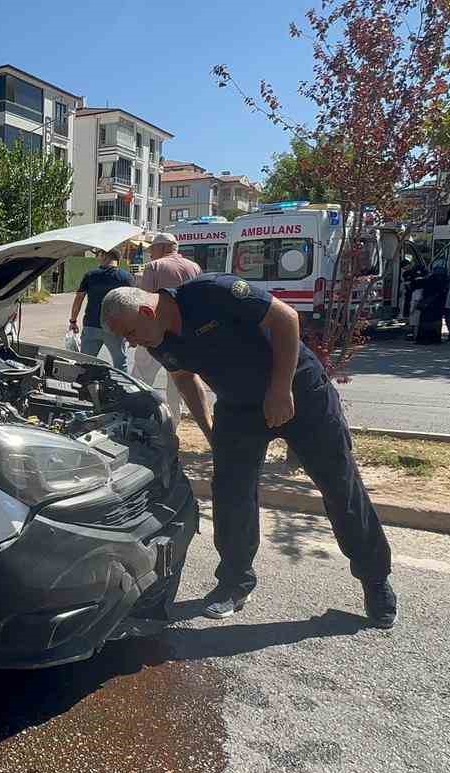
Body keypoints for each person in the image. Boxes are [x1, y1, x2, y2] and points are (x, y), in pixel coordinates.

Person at [101, 278, 397, 628]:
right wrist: (210, 430)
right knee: (230, 492)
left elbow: (285, 319)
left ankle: (375, 581)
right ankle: (234, 583)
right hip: (239, 408)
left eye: (131, 332)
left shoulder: (210, 294)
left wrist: (280, 389)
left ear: (148, 311)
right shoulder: (157, 340)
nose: (132, 342)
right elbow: (184, 379)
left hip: (299, 392)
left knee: (340, 487)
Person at [132, 232, 202, 422]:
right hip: (184, 335)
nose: (151, 253)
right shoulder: (194, 268)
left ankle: (139, 418)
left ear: (163, 247)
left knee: (140, 379)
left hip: (154, 335)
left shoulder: (154, 267)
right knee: (179, 385)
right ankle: (173, 426)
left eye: (152, 249)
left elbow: (143, 302)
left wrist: (134, 334)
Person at [68, 247, 133, 371]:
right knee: (120, 365)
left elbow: (79, 299)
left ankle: (83, 387)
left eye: (99, 254)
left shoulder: (90, 275)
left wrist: (73, 321)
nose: (97, 257)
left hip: (91, 325)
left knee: (84, 363)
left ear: (104, 255)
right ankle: (120, 389)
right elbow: (132, 305)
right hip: (116, 328)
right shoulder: (126, 277)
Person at [413, 265, 449, 345]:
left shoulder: (430, 280)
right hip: (439, 305)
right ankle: (435, 338)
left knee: (425, 322)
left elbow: (417, 284)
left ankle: (424, 339)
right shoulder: (445, 281)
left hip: (428, 304)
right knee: (437, 322)